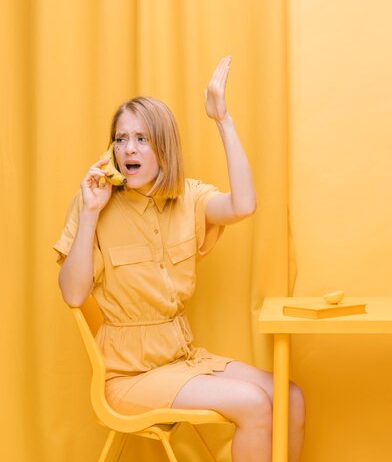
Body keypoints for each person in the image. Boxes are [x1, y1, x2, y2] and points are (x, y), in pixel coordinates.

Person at [55, 56, 305, 462]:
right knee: (255, 404)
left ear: (163, 149)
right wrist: (88, 213)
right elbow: (72, 293)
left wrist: (222, 119)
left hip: (183, 359)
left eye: (141, 139)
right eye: (121, 139)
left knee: (290, 396)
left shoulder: (188, 197)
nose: (128, 149)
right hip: (129, 376)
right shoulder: (93, 204)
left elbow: (243, 205)